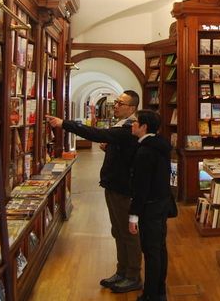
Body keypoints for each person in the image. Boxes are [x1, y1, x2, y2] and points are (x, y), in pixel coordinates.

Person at [46, 90, 142, 293]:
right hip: (113, 184)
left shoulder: (128, 128)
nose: (115, 105)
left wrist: (64, 123)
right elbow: (125, 153)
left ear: (132, 108)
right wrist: (112, 149)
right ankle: (122, 271)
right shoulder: (122, 127)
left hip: (123, 188)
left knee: (127, 232)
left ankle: (133, 275)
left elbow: (97, 134)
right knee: (117, 231)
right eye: (116, 101)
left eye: (120, 103)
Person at [128, 110, 172, 301]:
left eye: (135, 122)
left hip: (150, 206)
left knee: (151, 251)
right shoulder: (160, 146)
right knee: (160, 248)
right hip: (162, 203)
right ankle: (159, 290)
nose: (132, 125)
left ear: (144, 127)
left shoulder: (145, 152)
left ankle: (151, 295)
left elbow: (141, 187)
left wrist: (133, 216)